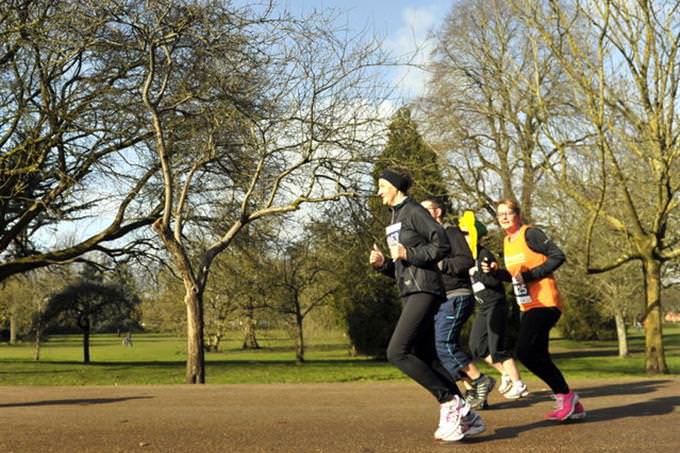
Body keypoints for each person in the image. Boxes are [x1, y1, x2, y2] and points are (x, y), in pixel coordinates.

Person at [369, 168, 485, 442]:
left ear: (395, 187)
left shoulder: (412, 210)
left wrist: (409, 253)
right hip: (411, 289)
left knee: (397, 352)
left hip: (426, 289)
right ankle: (468, 416)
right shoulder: (396, 217)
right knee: (424, 356)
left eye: (382, 186)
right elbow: (403, 264)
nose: (378, 191)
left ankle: (450, 403)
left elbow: (441, 244)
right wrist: (384, 264)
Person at [482, 199, 585, 421]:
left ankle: (566, 396)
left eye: (508, 213)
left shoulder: (531, 234)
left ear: (518, 214)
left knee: (525, 352)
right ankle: (570, 401)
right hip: (527, 306)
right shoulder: (508, 241)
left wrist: (530, 275)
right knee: (539, 355)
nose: (504, 217)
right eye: (500, 214)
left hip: (545, 302)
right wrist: (495, 272)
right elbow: (515, 277)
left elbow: (558, 256)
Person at [420, 199, 496, 410]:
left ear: (437, 212)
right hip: (440, 298)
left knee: (444, 344)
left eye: (425, 210)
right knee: (440, 347)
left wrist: (441, 264)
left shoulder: (450, 233)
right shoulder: (428, 240)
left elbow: (466, 261)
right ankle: (474, 389)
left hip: (457, 295)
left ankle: (481, 381)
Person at [458, 210, 528, 401]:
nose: (461, 237)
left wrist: (476, 273)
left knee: (497, 347)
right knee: (477, 346)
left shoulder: (484, 255)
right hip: (482, 307)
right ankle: (505, 374)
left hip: (495, 304)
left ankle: (519, 384)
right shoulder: (467, 258)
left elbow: (494, 281)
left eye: (464, 233)